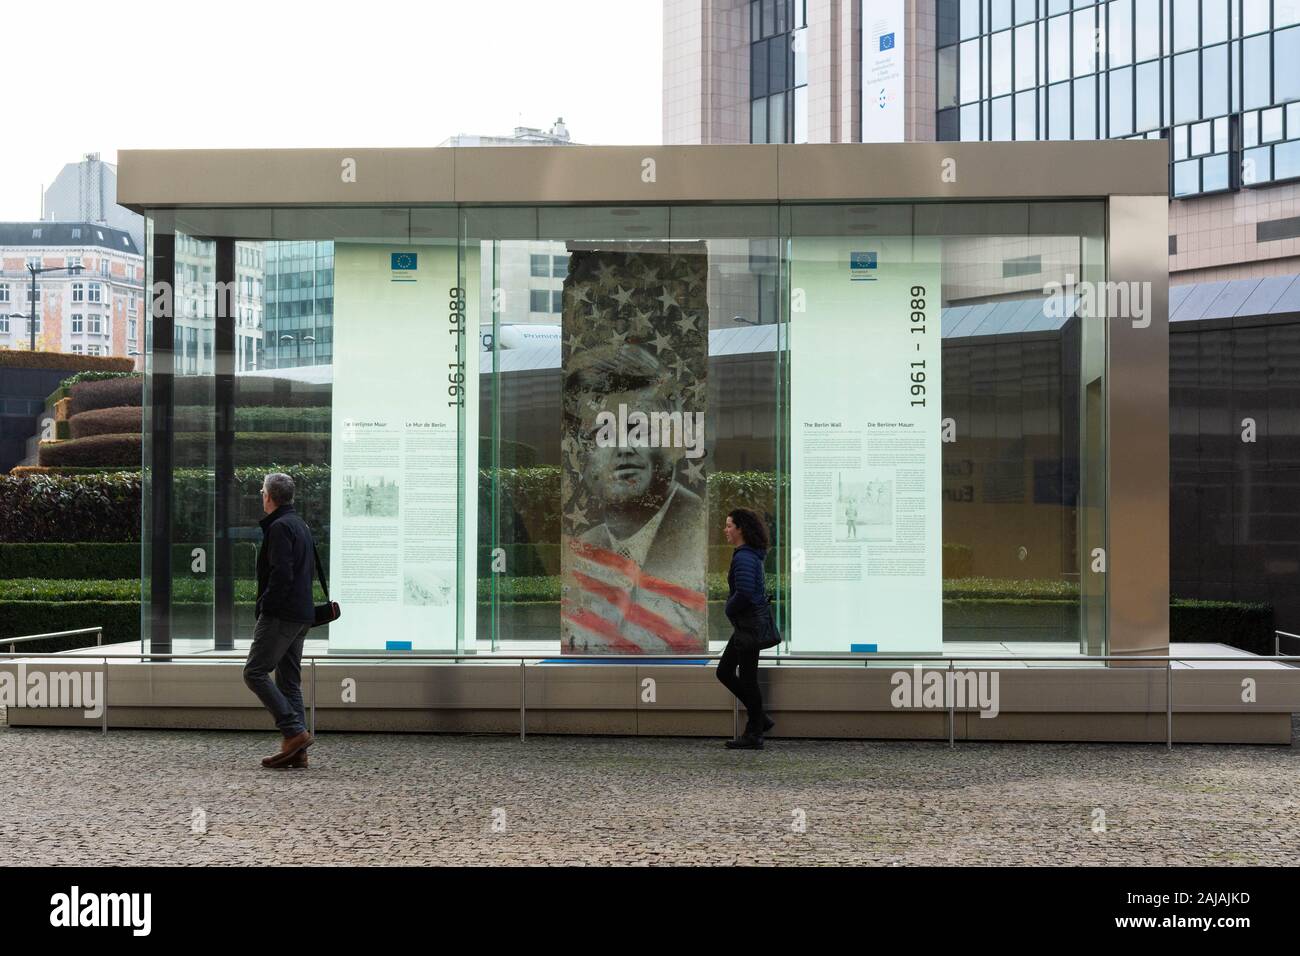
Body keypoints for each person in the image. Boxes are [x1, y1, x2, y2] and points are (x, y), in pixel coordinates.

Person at [561, 343, 707, 653]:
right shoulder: (587, 548)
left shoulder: (699, 533)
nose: (623, 448)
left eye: (638, 430)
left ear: (677, 441)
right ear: (577, 455)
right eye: (604, 434)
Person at [243, 472, 316, 769]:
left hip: (281, 615)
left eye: (262, 491)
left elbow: (281, 574)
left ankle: (294, 731)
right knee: (289, 681)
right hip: (301, 615)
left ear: (269, 496)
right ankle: (297, 753)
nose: (262, 495)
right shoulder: (300, 524)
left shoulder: (279, 527)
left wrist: (265, 607)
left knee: (254, 672)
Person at [716, 507, 776, 749]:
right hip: (747, 626)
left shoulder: (744, 556)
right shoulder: (749, 554)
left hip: (748, 627)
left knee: (741, 677)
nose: (726, 530)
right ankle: (759, 720)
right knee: (728, 672)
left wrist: (728, 608)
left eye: (729, 526)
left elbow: (745, 592)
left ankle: (755, 731)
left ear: (740, 529)